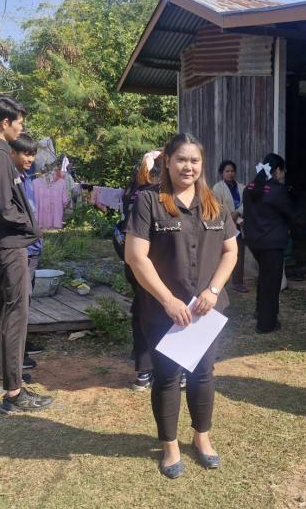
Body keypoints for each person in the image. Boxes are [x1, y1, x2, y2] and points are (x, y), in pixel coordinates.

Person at [124, 132, 238, 479]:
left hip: (205, 310)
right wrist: (168, 300)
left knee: (203, 373)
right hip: (164, 311)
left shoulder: (214, 203)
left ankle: (202, 437)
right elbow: (135, 256)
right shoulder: (149, 201)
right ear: (168, 162)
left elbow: (230, 251)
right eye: (181, 159)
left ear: (202, 164)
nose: (188, 166)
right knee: (167, 377)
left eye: (195, 160)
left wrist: (213, 290)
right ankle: (170, 444)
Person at [0, 95, 53, 414]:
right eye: (19, 122)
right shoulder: (1, 155)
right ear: (5, 123)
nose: (21, 128)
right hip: (9, 245)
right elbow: (1, 205)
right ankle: (14, 393)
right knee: (16, 313)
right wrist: (30, 225)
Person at [113, 148, 172, 391]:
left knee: (141, 311)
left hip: (133, 264)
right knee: (164, 314)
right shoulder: (157, 195)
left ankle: (143, 371)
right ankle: (165, 369)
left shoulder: (132, 191)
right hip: (156, 264)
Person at [241, 153, 294, 334]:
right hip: (272, 243)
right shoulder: (277, 190)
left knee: (264, 278)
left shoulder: (250, 188)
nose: (283, 174)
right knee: (271, 283)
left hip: (254, 242)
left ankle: (260, 312)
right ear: (277, 170)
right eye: (283, 171)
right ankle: (266, 323)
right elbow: (291, 213)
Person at [9, 133, 45, 365]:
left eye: (33, 154)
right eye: (26, 154)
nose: (30, 159)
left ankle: (23, 341)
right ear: (12, 153)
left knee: (26, 300)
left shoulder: (26, 176)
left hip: (33, 247)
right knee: (18, 302)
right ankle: (16, 355)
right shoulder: (10, 178)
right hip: (21, 248)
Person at [212, 160, 248, 293]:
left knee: (239, 254)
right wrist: (233, 217)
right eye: (227, 171)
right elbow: (218, 207)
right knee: (224, 254)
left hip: (240, 226)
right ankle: (220, 283)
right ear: (222, 173)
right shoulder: (217, 188)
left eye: (232, 171)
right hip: (225, 225)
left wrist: (238, 213)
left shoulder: (242, 188)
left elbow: (247, 204)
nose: (230, 173)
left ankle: (238, 282)